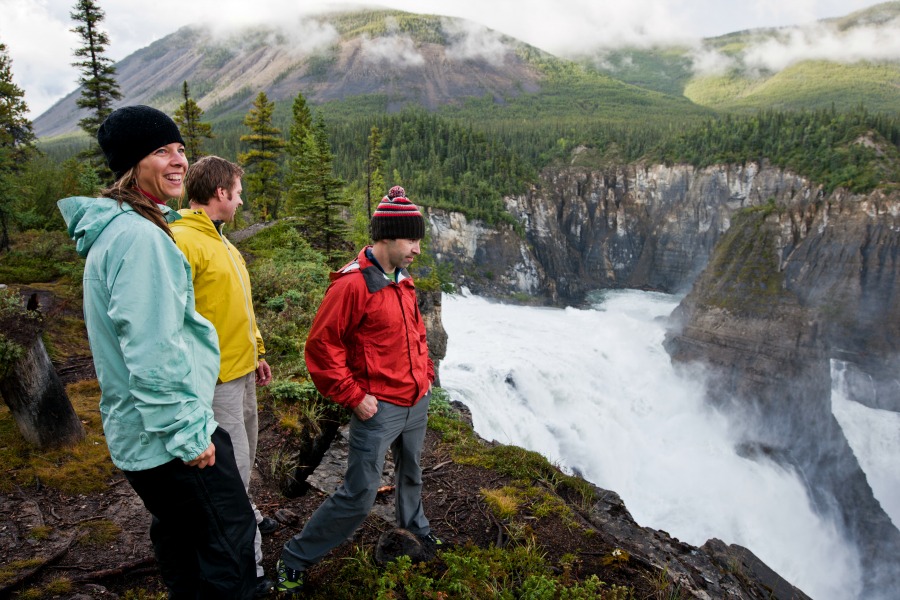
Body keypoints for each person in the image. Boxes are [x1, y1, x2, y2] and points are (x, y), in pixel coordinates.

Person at [57, 105, 257, 599]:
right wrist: (191, 435)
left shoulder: (125, 229)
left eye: (180, 149)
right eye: (160, 150)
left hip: (144, 432)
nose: (177, 161)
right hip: (170, 435)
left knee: (180, 540)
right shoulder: (140, 238)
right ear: (132, 163)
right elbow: (152, 349)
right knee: (229, 545)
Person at [275, 186, 439, 594]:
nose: (417, 249)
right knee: (359, 494)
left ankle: (415, 530)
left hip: (416, 399)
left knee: (412, 473)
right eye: (411, 240)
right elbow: (320, 347)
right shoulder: (352, 285)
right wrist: (353, 396)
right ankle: (294, 558)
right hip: (378, 407)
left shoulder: (403, 280)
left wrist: (427, 374)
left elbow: (415, 332)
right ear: (386, 237)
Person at [171, 156, 275, 596]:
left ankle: (247, 516)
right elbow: (173, 320)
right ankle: (246, 566)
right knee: (229, 473)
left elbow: (238, 307)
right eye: (238, 190)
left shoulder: (224, 244)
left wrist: (259, 351)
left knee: (245, 456)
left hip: (242, 370)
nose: (241, 198)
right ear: (220, 194)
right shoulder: (181, 241)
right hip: (215, 382)